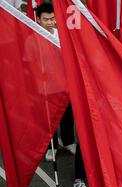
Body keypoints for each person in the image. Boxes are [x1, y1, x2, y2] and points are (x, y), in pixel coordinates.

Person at [34, 3, 76, 161]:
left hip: (64, 84)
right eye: (46, 19)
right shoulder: (33, 38)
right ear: (38, 20)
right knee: (49, 118)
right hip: (45, 87)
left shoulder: (62, 36)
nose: (51, 22)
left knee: (67, 115)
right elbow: (29, 63)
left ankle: (68, 141)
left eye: (53, 18)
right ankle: (52, 146)